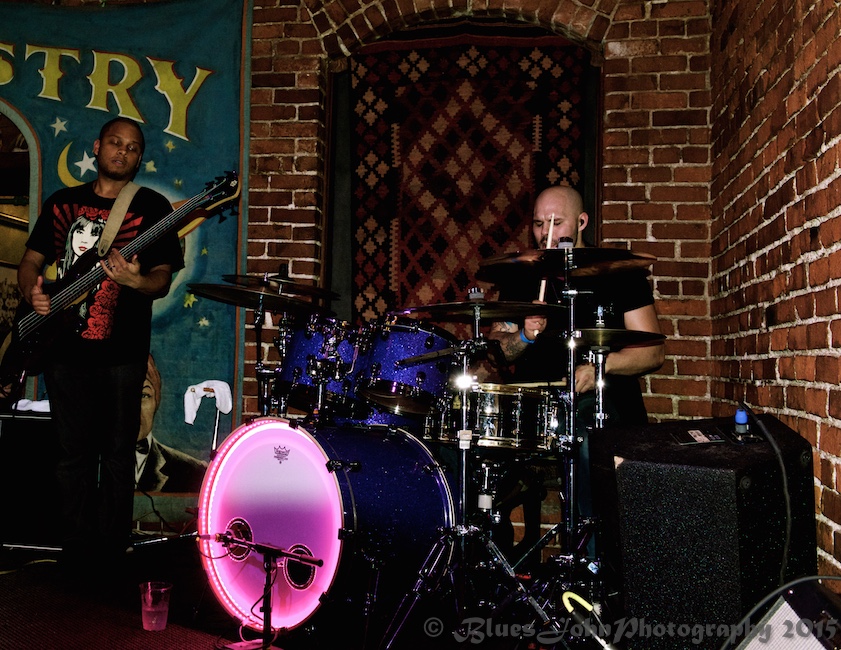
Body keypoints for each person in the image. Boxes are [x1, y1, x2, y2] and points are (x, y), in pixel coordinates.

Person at [16, 117, 184, 574]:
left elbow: (162, 280)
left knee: (115, 452)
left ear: (138, 157)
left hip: (122, 353)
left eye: (132, 148)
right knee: (71, 453)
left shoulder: (153, 208)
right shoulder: (63, 203)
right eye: (115, 143)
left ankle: (111, 551)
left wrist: (136, 279)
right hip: (64, 351)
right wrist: (32, 289)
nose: (123, 152)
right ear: (98, 146)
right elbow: (31, 260)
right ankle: (73, 547)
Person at [486, 184, 665, 560]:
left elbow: (653, 352)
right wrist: (524, 334)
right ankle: (497, 567)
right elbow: (503, 351)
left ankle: (591, 564)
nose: (544, 232)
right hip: (534, 406)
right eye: (538, 223)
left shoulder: (618, 272)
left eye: (556, 221)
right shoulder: (520, 275)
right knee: (475, 446)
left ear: (581, 222)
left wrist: (601, 365)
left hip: (599, 401)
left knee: (586, 435)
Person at [136, 354, 208, 493]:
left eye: (144, 395)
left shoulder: (193, 471)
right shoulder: (85, 464)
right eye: (124, 395)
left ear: (156, 401)